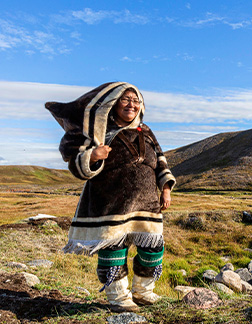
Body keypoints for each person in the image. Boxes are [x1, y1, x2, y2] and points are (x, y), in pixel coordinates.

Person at [45, 82, 176, 312]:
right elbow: (75, 160)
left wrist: (165, 187)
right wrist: (93, 155)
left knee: (153, 248)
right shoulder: (99, 130)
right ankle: (118, 297)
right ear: (114, 103)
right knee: (114, 249)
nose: (131, 105)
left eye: (136, 101)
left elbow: (160, 159)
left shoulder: (146, 130)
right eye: (125, 100)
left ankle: (143, 291)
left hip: (147, 202)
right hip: (111, 201)